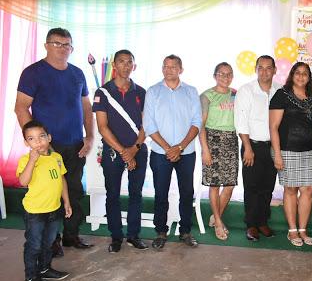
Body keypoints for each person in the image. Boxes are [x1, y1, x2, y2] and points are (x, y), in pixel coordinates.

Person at [15, 27, 94, 254]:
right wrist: (37, 142)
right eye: (57, 44)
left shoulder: (78, 73)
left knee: (74, 191)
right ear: (46, 45)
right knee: (51, 193)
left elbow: (86, 108)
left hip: (75, 145)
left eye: (67, 44)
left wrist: (88, 137)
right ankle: (52, 241)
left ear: (72, 48)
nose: (62, 48)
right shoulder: (33, 72)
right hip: (48, 148)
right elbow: (20, 107)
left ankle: (71, 235)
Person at [92, 50, 148, 253]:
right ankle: (116, 236)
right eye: (121, 62)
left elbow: (146, 125)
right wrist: (124, 152)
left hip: (138, 150)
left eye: (129, 62)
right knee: (112, 194)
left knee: (136, 194)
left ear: (134, 65)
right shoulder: (103, 92)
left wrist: (134, 149)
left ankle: (134, 235)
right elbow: (102, 127)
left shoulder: (141, 92)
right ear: (114, 65)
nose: (125, 65)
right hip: (113, 153)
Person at [143, 55, 201, 249]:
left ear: (181, 70)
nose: (169, 70)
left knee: (187, 192)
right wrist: (169, 149)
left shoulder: (191, 92)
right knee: (161, 193)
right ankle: (161, 231)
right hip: (161, 153)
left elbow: (196, 123)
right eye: (165, 66)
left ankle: (185, 231)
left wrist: (180, 147)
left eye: (173, 67)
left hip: (186, 152)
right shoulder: (153, 92)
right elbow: (149, 125)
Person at [269, 62, 312, 247]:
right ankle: (292, 231)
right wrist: (277, 154)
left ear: (309, 77)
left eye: (305, 74)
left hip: (310, 150)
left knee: (308, 190)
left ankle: (303, 229)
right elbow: (273, 127)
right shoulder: (281, 95)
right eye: (297, 73)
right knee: (291, 190)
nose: (301, 76)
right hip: (287, 150)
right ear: (292, 75)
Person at [17, 121, 72, 281]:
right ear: (27, 143)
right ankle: (31, 277)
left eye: (41, 136)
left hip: (54, 209)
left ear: (49, 137)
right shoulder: (26, 160)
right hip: (35, 212)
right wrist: (32, 162)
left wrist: (67, 202)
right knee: (34, 244)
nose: (38, 142)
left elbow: (61, 180)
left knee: (49, 242)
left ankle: (45, 268)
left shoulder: (56, 158)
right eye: (32, 139)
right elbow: (23, 182)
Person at [234, 55, 280, 241]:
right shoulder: (246, 91)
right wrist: (247, 147)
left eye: (268, 68)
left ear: (275, 70)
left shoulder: (280, 91)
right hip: (251, 146)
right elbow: (240, 120)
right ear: (255, 69)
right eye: (260, 68)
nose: (264, 71)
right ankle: (251, 225)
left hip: (272, 146)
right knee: (252, 187)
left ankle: (263, 222)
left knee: (267, 187)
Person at [199, 62, 238, 241]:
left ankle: (216, 217)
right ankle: (219, 223)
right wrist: (205, 150)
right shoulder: (207, 96)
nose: (225, 77)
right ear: (215, 75)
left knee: (229, 185)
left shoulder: (235, 95)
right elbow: (200, 125)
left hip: (231, 139)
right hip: (212, 140)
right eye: (221, 74)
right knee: (214, 185)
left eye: (229, 74)